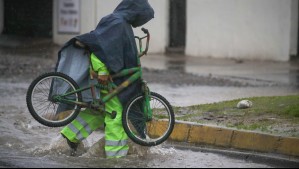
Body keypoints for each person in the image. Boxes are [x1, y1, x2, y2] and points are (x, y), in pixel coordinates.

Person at [55, 0, 154, 158]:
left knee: (101, 110)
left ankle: (71, 135)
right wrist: (102, 71)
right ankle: (116, 157)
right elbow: (101, 46)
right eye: (142, 17)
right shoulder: (118, 23)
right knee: (116, 114)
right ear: (136, 11)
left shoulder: (120, 21)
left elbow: (116, 48)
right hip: (109, 77)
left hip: (112, 76)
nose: (141, 21)